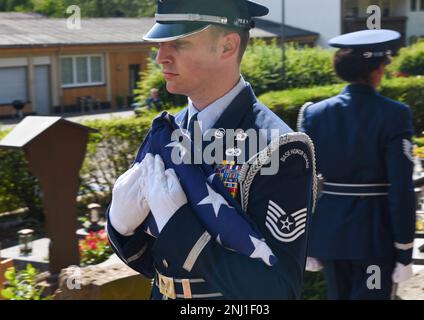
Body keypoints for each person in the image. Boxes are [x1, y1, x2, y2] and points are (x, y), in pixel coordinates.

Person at [106, 0, 316, 300]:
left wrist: (179, 227)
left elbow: (278, 290)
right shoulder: (170, 131)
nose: (160, 58)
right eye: (159, 45)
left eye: (178, 43)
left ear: (227, 47)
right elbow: (158, 264)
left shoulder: (278, 148)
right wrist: (120, 227)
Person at [298, 29, 416, 300]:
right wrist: (405, 250)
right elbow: (401, 189)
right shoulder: (395, 114)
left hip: (331, 236)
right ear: (376, 70)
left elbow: (303, 183)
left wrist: (310, 243)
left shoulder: (314, 114)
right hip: (374, 238)